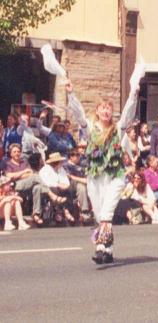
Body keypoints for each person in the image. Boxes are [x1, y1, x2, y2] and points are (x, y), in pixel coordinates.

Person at [65, 78, 139, 264]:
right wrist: (71, 94)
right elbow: (79, 115)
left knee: (106, 212)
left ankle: (99, 248)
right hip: (95, 176)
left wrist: (133, 93)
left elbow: (129, 114)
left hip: (115, 176)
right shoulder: (90, 128)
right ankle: (108, 251)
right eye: (103, 107)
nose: (106, 110)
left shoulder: (118, 129)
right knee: (99, 214)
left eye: (109, 108)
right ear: (97, 111)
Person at [2, 143, 64, 226]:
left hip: (28, 185)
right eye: (14, 152)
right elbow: (9, 176)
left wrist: (18, 175)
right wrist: (23, 172)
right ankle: (51, 194)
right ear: (11, 153)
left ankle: (36, 214)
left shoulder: (24, 162)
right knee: (35, 177)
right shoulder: (8, 164)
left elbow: (30, 173)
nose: (17, 153)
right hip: (16, 186)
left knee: (37, 187)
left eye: (18, 151)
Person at [39, 153, 77, 224]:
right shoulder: (45, 169)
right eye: (60, 162)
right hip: (48, 190)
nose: (62, 163)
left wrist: (65, 185)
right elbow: (45, 182)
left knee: (69, 189)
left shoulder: (61, 169)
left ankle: (67, 210)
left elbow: (66, 181)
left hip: (60, 188)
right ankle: (60, 211)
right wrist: (58, 184)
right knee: (54, 189)